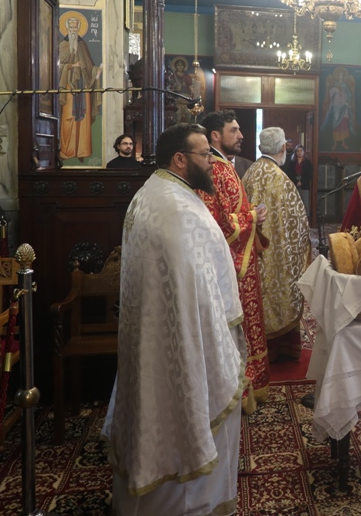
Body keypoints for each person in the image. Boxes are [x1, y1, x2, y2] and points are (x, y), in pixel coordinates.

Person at [102, 123, 246, 516]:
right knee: (185, 416)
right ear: (180, 159)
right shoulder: (176, 208)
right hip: (182, 341)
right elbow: (196, 288)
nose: (211, 163)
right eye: (204, 154)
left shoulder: (156, 193)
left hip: (158, 336)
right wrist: (220, 341)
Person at [198, 110, 270, 414]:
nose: (241, 135)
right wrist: (252, 216)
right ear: (216, 135)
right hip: (231, 263)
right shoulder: (214, 168)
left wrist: (251, 214)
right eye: (234, 130)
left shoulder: (223, 164)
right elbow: (216, 220)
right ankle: (240, 386)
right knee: (237, 323)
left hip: (242, 257)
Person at [243, 128, 312, 363]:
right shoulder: (280, 179)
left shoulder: (250, 173)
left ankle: (258, 350)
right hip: (279, 254)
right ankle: (282, 349)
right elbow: (298, 221)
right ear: (283, 148)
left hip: (253, 252)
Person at [58, 14, 102, 161]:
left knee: (84, 119)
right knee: (68, 118)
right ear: (66, 28)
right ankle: (67, 151)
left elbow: (89, 66)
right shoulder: (62, 46)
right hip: (68, 85)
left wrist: (96, 71)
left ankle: (82, 151)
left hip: (83, 86)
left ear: (78, 28)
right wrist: (71, 66)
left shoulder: (82, 45)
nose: (73, 29)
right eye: (71, 27)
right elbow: (56, 67)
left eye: (75, 27)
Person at [321, 66, 355, 150]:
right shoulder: (335, 84)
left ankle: (343, 142)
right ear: (337, 76)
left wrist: (347, 99)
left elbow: (349, 95)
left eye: (342, 75)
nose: (340, 76)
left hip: (344, 105)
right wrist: (335, 91)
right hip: (336, 106)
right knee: (336, 123)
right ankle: (335, 143)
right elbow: (330, 95)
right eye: (339, 75)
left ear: (344, 76)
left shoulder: (345, 85)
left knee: (343, 122)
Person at [284, 144, 312, 216]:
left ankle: (306, 218)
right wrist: (296, 181)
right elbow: (289, 173)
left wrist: (301, 182)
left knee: (305, 202)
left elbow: (309, 174)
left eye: (301, 151)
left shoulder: (307, 162)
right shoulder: (292, 162)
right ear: (295, 152)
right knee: (294, 202)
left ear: (303, 152)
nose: (299, 153)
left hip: (304, 184)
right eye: (298, 151)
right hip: (294, 182)